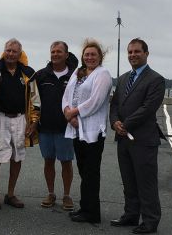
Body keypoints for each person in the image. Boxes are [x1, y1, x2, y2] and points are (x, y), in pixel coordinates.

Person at [110, 38, 165, 234]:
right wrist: (115, 122)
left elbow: (148, 108)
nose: (132, 55)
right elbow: (115, 105)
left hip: (143, 140)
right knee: (129, 181)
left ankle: (150, 221)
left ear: (146, 53)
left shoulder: (156, 79)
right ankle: (131, 214)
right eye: (130, 52)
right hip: (123, 139)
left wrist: (125, 124)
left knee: (146, 182)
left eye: (137, 52)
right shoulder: (124, 78)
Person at [62, 39, 112, 224]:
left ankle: (92, 213)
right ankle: (85, 207)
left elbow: (95, 101)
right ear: (83, 56)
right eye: (87, 54)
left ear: (100, 57)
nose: (90, 57)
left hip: (92, 131)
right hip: (76, 129)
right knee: (83, 171)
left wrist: (74, 112)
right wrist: (67, 112)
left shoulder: (103, 74)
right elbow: (67, 95)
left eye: (93, 54)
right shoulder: (78, 72)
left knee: (91, 173)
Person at [0, 39, 40, 210]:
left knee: (17, 156)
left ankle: (10, 194)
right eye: (8, 51)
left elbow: (35, 99)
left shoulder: (28, 73)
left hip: (20, 119)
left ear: (19, 54)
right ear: (4, 51)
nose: (10, 54)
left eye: (14, 51)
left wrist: (33, 121)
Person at [35, 41, 78, 210]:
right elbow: (33, 101)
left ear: (67, 55)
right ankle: (51, 193)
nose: (55, 55)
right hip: (45, 127)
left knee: (66, 162)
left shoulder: (76, 76)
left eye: (59, 52)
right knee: (48, 161)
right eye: (53, 52)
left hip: (66, 128)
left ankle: (67, 195)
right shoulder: (41, 75)